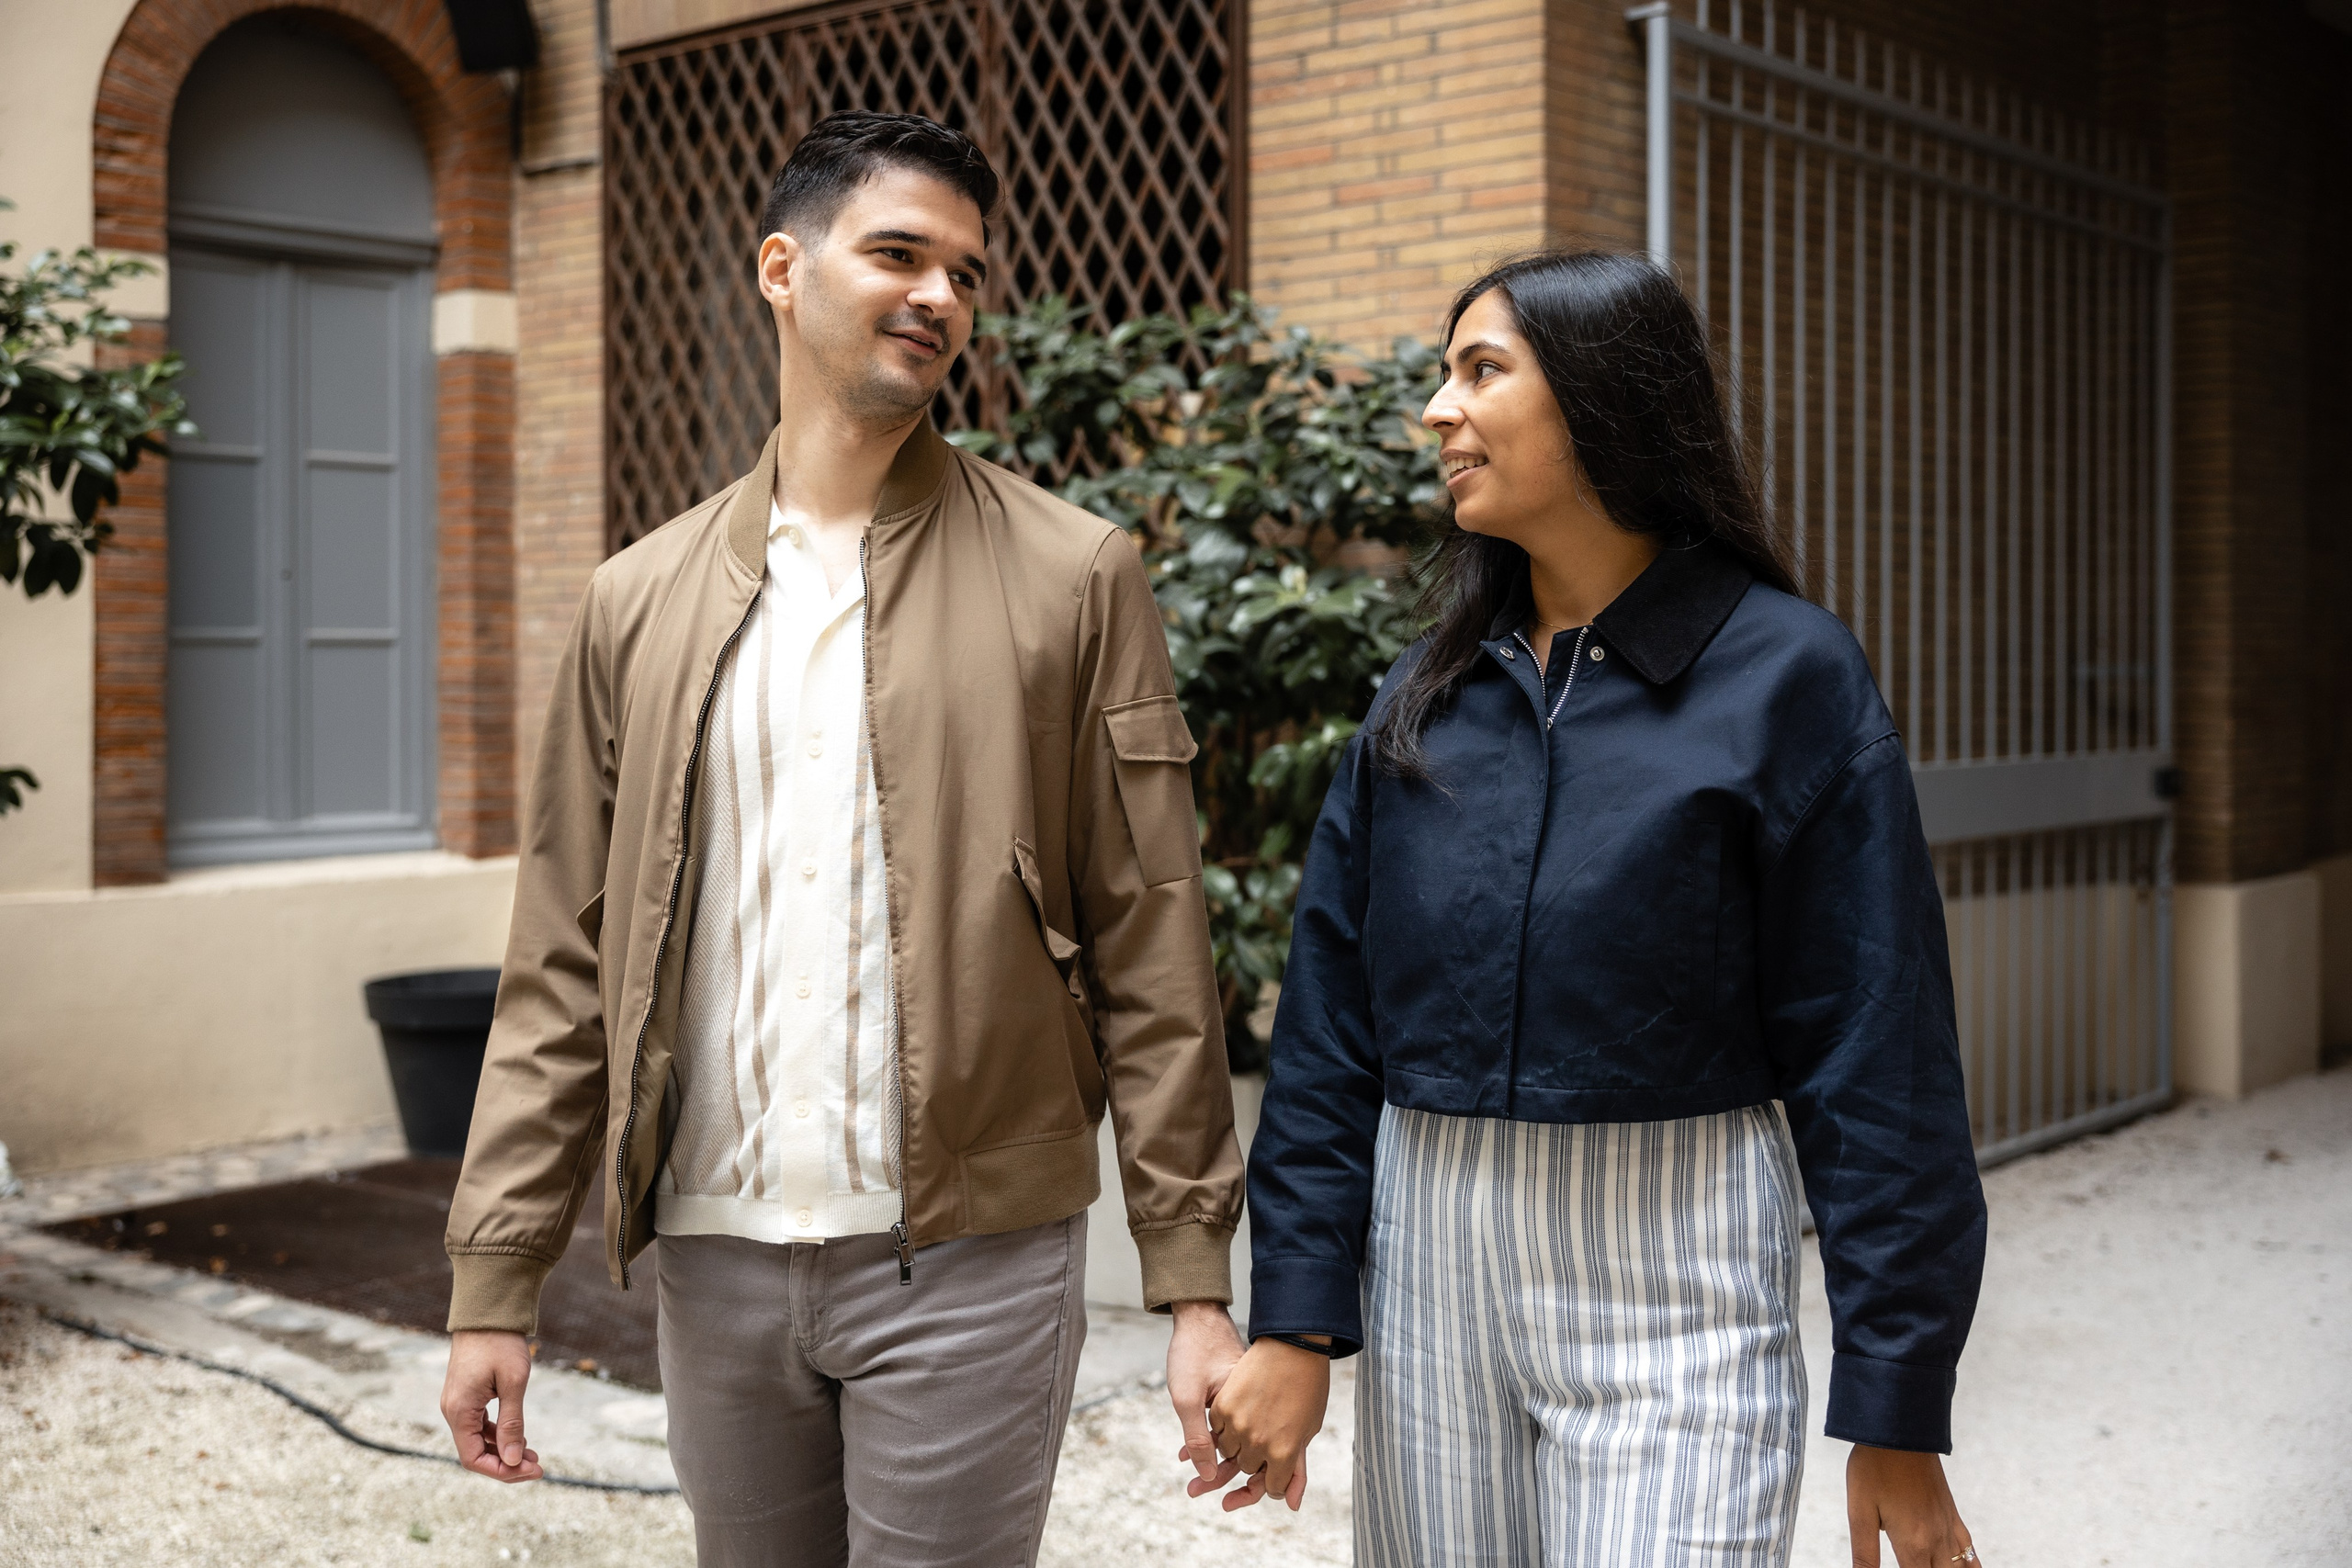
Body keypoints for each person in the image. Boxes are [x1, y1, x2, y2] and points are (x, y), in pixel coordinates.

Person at [436, 111, 1247, 1566]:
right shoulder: (635, 601)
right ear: (781, 268)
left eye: (966, 273)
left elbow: (1153, 943)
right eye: (899, 254)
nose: (940, 295)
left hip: (973, 1266)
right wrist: (497, 1276)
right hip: (714, 1258)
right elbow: (561, 961)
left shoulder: (1076, 575)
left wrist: (1193, 1282)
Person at [1203, 251, 1989, 1568]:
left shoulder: (1789, 675)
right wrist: (1296, 1320)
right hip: (1430, 1283)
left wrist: (1898, 1408)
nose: (1438, 411)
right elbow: (1331, 1026)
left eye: (1482, 370)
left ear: (1603, 398)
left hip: (1678, 1280)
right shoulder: (1423, 696)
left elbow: (1880, 1051)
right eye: (1443, 376)